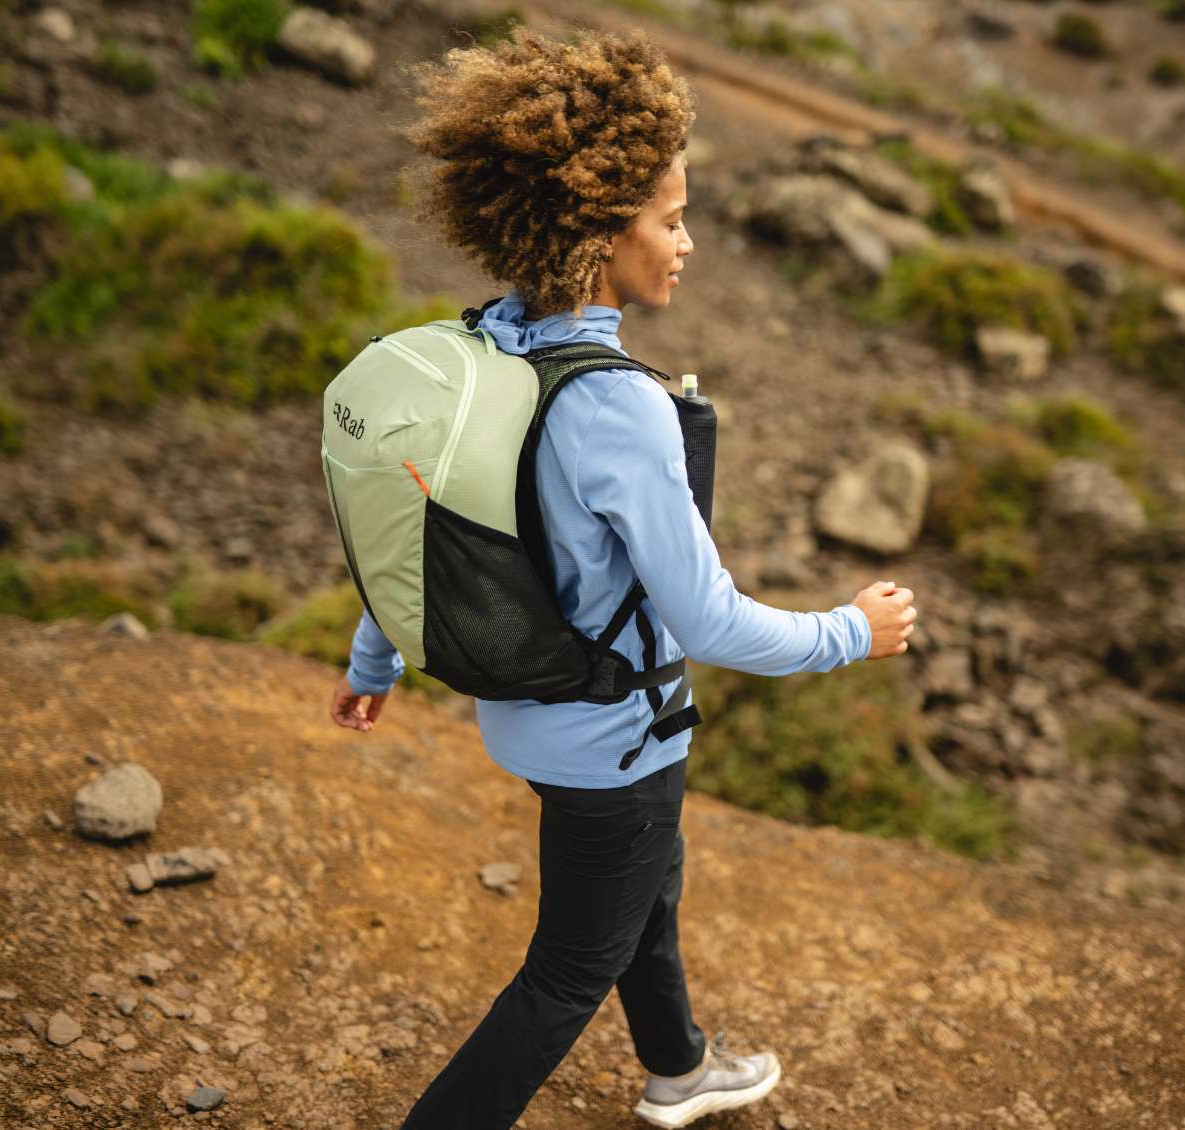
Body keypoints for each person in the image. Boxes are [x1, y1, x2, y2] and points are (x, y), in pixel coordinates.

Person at [322, 27, 920, 1129]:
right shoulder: (620, 407)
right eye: (669, 217)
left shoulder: (488, 349)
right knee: (565, 971)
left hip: (530, 713)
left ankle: (681, 1066)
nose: (687, 242)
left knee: (646, 883)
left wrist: (375, 661)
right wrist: (851, 630)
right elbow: (707, 617)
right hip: (615, 737)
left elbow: (432, 531)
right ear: (599, 232)